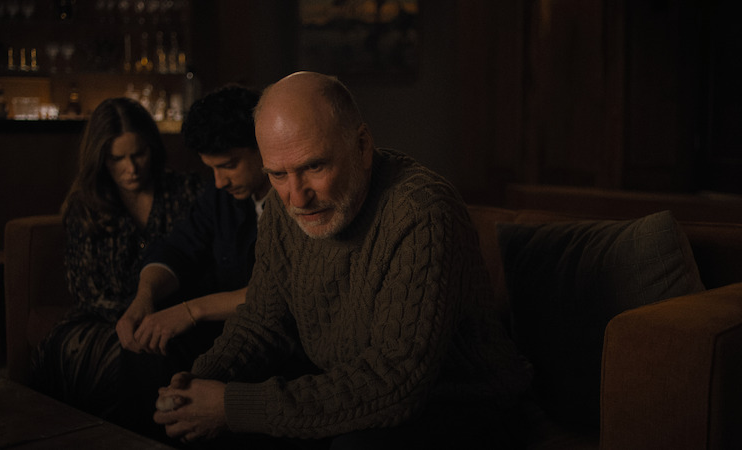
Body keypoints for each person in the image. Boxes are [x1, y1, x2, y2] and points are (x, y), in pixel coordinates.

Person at [152, 72, 532, 449]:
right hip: (355, 386)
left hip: (466, 403)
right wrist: (198, 385)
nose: (296, 198)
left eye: (314, 167)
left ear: (362, 146)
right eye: (278, 174)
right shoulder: (284, 211)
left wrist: (231, 406)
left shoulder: (421, 211)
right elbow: (263, 321)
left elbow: (396, 381)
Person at [30, 97, 206, 431]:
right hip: (101, 317)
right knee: (94, 352)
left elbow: (201, 265)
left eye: (138, 154)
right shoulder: (86, 205)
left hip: (173, 313)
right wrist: (134, 316)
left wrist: (159, 311)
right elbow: (86, 290)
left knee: (154, 352)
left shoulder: (187, 191)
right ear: (101, 159)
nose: (131, 168)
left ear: (152, 148)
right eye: (117, 158)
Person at [116, 84, 271, 356]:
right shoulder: (220, 196)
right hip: (229, 331)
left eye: (229, 165)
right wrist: (145, 296)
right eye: (211, 168)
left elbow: (277, 291)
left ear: (263, 146)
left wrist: (192, 310)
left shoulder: (295, 199)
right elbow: (179, 248)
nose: (220, 181)